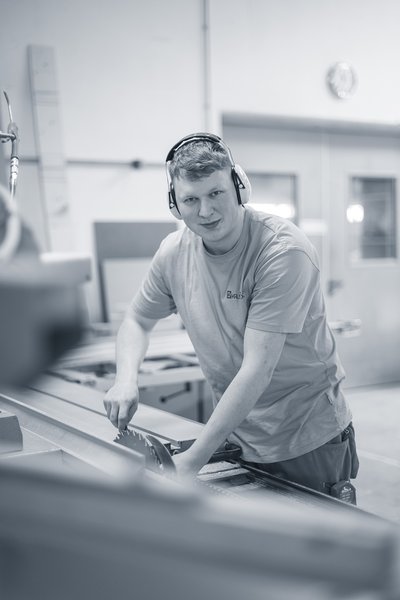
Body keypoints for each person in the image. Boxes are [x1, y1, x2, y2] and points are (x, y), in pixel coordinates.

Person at [104, 132, 359, 498]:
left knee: (314, 534)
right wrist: (125, 380)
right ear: (175, 204)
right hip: (239, 435)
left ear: (240, 188)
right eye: (191, 199)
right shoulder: (174, 254)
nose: (205, 211)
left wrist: (193, 460)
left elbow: (257, 369)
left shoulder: (282, 252)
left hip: (305, 437)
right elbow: (136, 321)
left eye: (216, 193)